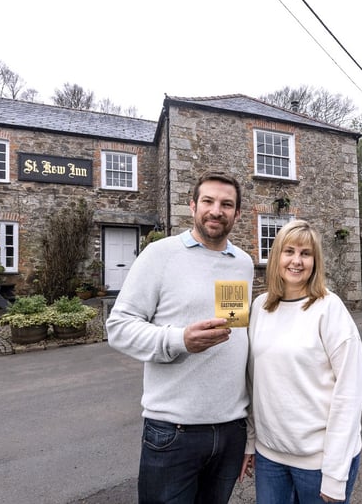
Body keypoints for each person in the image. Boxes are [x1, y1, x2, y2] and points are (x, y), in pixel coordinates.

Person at [107, 171, 254, 504]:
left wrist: (251, 432)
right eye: (208, 201)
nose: (217, 210)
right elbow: (118, 326)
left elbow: (236, 333)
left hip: (232, 429)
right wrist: (179, 341)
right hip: (174, 432)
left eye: (227, 204)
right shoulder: (160, 255)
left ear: (237, 214)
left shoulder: (242, 263)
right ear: (192, 206)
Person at [241, 220, 362, 503]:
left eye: (305, 254)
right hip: (270, 457)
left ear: (315, 261)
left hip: (319, 463)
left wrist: (335, 475)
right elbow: (252, 382)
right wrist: (250, 441)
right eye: (289, 251)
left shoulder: (329, 309)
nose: (296, 261)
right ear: (276, 258)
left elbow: (349, 392)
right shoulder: (260, 307)